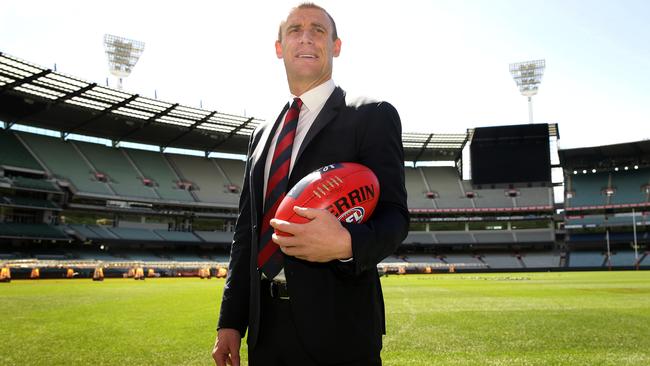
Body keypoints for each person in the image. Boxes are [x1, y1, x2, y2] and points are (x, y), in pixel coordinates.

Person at [212, 3, 408, 365]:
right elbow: (246, 234)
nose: (306, 37)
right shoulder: (261, 134)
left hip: (341, 330)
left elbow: (396, 218)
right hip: (265, 331)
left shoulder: (371, 115)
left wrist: (346, 243)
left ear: (336, 46)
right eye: (294, 30)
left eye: (318, 30)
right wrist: (231, 321)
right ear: (278, 47)